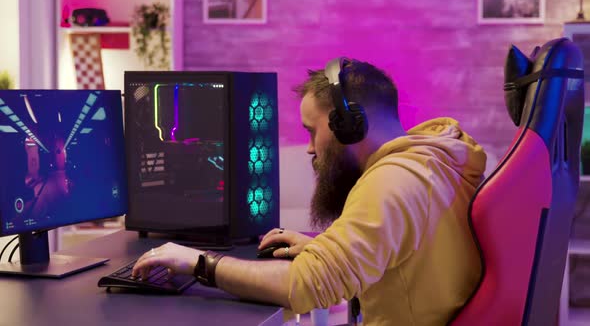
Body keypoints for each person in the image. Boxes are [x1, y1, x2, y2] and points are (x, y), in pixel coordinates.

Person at [132, 58, 487, 325]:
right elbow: (399, 245)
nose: (309, 149)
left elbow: (308, 285)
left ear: (349, 125)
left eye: (311, 131)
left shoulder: (392, 181)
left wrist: (198, 262)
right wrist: (320, 247)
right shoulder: (429, 161)